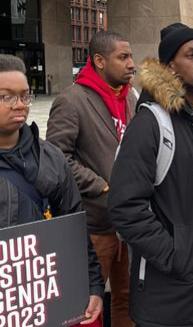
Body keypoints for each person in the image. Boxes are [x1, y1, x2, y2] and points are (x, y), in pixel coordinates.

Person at [108, 23, 193, 327]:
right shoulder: (150, 124)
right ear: (169, 68)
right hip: (166, 294)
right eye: (192, 54)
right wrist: (175, 255)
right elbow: (125, 208)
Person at [0, 54, 105, 324]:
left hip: (43, 299)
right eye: (6, 97)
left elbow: (73, 223)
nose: (19, 105)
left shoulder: (52, 157)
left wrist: (92, 285)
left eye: (24, 95)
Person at [46, 31, 136, 327]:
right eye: (123, 57)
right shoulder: (72, 100)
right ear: (99, 60)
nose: (131, 64)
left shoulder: (130, 97)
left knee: (127, 298)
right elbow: (58, 157)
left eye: (131, 56)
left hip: (131, 222)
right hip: (95, 224)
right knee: (86, 306)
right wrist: (102, 185)